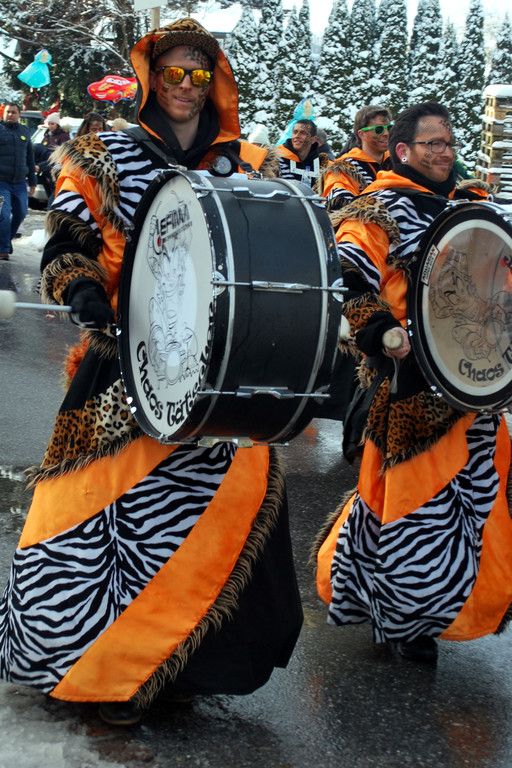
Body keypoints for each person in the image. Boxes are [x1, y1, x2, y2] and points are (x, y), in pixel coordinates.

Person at [0, 17, 301, 727]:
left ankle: (181, 665)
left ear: (214, 83)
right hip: (121, 369)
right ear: (150, 78)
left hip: (221, 372)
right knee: (100, 522)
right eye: (173, 72)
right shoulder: (104, 156)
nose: (185, 86)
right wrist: (80, 288)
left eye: (199, 73)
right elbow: (67, 243)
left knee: (210, 524)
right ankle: (107, 674)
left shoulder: (252, 166)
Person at [314, 101, 512, 663]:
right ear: (403, 150)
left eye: (449, 142)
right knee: (412, 505)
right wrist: (380, 330)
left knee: (475, 499)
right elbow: (347, 275)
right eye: (432, 143)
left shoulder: (472, 208)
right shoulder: (378, 208)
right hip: (410, 385)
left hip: (475, 382)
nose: (444, 152)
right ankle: (405, 617)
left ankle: (434, 601)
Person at [318, 105, 392, 211]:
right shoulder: (342, 168)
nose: (386, 133)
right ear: (361, 134)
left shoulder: (400, 163)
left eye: (389, 128)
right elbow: (339, 208)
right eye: (379, 129)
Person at [0, 102, 36, 259]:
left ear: (19, 115)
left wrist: (33, 182)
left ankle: (5, 241)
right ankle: (3, 249)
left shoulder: (25, 131)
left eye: (13, 112)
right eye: (8, 112)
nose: (10, 115)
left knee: (21, 213)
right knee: (3, 214)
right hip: (1, 183)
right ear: (3, 113)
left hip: (20, 183)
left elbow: (30, 158)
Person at [277, 118, 320, 187]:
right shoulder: (277, 159)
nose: (297, 136)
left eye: (303, 133)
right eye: (295, 132)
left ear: (313, 139)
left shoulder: (321, 164)